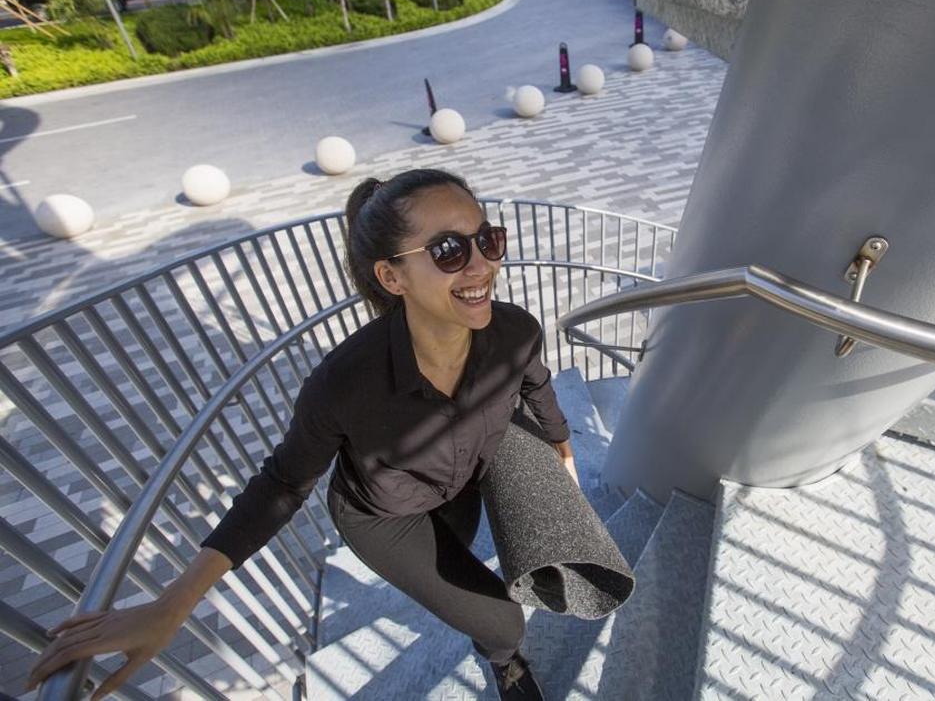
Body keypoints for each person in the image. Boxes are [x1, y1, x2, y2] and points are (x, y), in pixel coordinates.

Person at [26, 169, 577, 701]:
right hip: (384, 517)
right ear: (392, 277)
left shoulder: (515, 331)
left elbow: (537, 385)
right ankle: (504, 661)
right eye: (449, 251)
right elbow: (283, 484)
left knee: (459, 560)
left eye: (488, 239)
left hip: (460, 486)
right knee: (502, 622)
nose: (481, 265)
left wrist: (562, 448)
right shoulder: (344, 382)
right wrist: (174, 604)